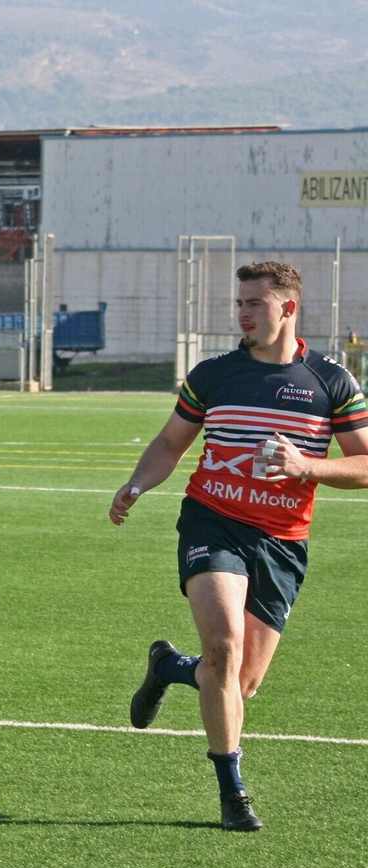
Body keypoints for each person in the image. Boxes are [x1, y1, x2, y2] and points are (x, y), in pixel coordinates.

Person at [111, 261, 368, 832]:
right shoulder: (213, 374)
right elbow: (170, 441)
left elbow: (367, 461)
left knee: (241, 681)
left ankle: (169, 667)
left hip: (283, 541)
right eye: (239, 303)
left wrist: (307, 465)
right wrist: (136, 484)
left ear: (288, 308)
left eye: (255, 303)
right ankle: (232, 792)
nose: (243, 313)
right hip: (213, 523)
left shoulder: (331, 381)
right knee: (224, 649)